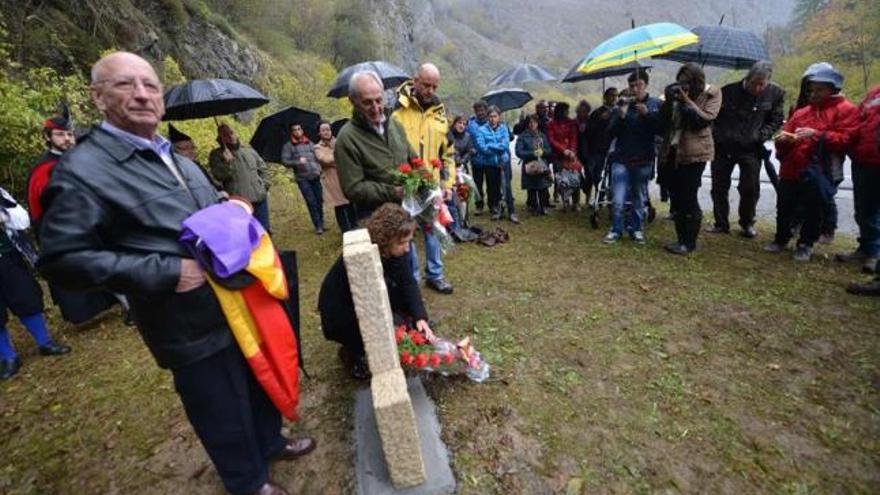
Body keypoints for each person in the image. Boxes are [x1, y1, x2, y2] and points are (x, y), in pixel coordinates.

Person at [37, 52, 314, 495]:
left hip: (236, 298)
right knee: (219, 405)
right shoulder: (82, 171)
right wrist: (166, 272)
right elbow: (61, 260)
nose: (143, 94)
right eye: (126, 85)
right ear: (98, 97)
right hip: (183, 320)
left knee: (254, 377)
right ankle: (247, 482)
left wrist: (230, 212)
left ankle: (269, 442)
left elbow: (198, 219)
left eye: (150, 85)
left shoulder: (180, 159)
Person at [28, 109, 123, 326]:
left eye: (69, 134)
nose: (67, 138)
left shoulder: (79, 157)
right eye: (60, 135)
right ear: (48, 138)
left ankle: (126, 302)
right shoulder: (44, 169)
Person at [318, 203, 436, 379]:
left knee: (404, 324)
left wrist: (419, 316)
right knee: (378, 334)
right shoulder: (363, 260)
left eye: (409, 241)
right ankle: (352, 353)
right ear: (385, 241)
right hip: (344, 313)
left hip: (371, 301)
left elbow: (407, 282)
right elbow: (370, 308)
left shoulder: (394, 250)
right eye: (403, 243)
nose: (408, 248)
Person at [765, 64, 859, 262]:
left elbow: (847, 139)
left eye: (819, 89)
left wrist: (817, 135)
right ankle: (781, 238)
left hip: (820, 169)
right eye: (811, 89)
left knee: (814, 208)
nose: (813, 93)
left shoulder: (846, 110)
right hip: (791, 168)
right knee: (784, 205)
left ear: (832, 90)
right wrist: (782, 142)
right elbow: (785, 133)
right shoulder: (802, 112)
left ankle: (805, 244)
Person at [392, 63, 456, 294]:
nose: (430, 90)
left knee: (433, 230)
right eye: (426, 84)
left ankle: (435, 275)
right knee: (407, 232)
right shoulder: (398, 112)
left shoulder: (440, 116)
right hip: (407, 185)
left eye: (434, 86)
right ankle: (413, 279)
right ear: (415, 81)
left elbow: (448, 153)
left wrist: (447, 184)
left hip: (432, 186)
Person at [0, 186, 71, 380]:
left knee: (26, 297)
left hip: (7, 258)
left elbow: (23, 221)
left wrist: (4, 215)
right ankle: (8, 357)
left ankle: (45, 342)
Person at [709, 61, 785, 238]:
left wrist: (761, 135)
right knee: (719, 186)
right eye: (754, 83)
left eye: (762, 84)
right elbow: (714, 118)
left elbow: (776, 119)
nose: (758, 88)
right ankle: (721, 223)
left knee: (750, 188)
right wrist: (719, 136)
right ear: (747, 78)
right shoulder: (727, 91)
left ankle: (747, 222)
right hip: (724, 147)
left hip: (752, 148)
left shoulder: (775, 93)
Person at [658, 63, 722, 255]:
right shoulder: (676, 96)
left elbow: (703, 121)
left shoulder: (712, 93)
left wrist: (687, 102)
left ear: (696, 82)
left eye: (686, 82)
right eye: (680, 82)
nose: (682, 86)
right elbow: (661, 124)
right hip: (672, 151)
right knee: (676, 197)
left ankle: (689, 242)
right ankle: (680, 240)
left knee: (688, 195)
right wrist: (669, 101)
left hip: (694, 153)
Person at [335, 70, 410, 221]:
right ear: (353, 101)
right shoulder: (347, 138)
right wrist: (392, 192)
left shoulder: (394, 125)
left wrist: (424, 180)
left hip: (406, 209)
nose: (376, 108)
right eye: (367, 102)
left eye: (378, 100)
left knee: (408, 245)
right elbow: (353, 189)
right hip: (375, 218)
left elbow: (413, 157)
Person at [603, 70, 662, 245]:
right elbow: (610, 133)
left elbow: (661, 129)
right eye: (632, 85)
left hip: (643, 159)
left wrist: (648, 115)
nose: (635, 89)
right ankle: (616, 229)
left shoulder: (654, 104)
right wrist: (620, 115)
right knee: (618, 198)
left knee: (638, 198)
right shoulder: (622, 105)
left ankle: (636, 230)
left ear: (646, 85)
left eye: (639, 85)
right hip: (621, 159)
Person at [836, 84, 880, 274]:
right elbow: (859, 119)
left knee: (874, 211)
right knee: (863, 209)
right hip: (863, 159)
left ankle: (874, 254)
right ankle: (865, 249)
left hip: (877, 160)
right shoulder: (875, 92)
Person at [209, 124, 271, 232]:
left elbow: (263, 169)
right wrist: (227, 163)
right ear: (220, 138)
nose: (230, 136)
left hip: (259, 197)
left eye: (231, 132)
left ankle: (268, 249)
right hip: (239, 202)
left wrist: (264, 187)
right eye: (225, 135)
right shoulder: (216, 154)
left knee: (264, 230)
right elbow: (219, 176)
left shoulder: (249, 151)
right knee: (245, 232)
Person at [473, 105, 515, 222]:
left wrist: (491, 145)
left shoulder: (503, 129)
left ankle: (511, 212)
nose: (492, 119)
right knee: (493, 187)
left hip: (503, 162)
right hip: (489, 163)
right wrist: (496, 147)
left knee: (506, 186)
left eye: (495, 116)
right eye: (490, 116)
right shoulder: (481, 130)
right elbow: (482, 148)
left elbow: (505, 145)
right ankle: (496, 210)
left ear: (499, 117)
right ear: (487, 117)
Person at [281, 123, 325, 235]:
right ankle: (318, 225)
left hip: (315, 175)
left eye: (299, 129)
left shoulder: (309, 143)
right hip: (303, 178)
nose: (297, 131)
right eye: (294, 130)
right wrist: (297, 162)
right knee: (311, 202)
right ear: (292, 132)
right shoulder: (288, 146)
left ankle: (322, 223)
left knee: (319, 200)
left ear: (302, 130)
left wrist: (319, 168)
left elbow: (317, 157)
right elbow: (285, 161)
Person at [314, 121, 357, 233]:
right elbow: (325, 160)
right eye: (323, 130)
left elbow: (349, 155)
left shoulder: (339, 141)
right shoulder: (317, 147)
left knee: (351, 203)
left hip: (346, 177)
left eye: (328, 129)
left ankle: (355, 227)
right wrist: (338, 154)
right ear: (319, 133)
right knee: (340, 206)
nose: (326, 132)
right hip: (332, 181)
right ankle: (345, 231)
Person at [585, 87, 618, 202]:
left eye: (616, 95)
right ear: (605, 97)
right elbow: (589, 131)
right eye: (611, 95)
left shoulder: (619, 112)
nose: (614, 98)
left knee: (614, 177)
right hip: (599, 150)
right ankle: (598, 198)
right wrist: (601, 120)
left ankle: (610, 199)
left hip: (616, 149)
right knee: (598, 175)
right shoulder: (597, 113)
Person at [516, 114, 553, 215]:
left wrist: (542, 152)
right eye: (530, 122)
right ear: (527, 124)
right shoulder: (523, 136)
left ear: (537, 123)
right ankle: (533, 207)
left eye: (534, 122)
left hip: (542, 165)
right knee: (531, 187)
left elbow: (549, 150)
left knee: (543, 187)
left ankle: (543, 207)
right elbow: (519, 152)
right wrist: (532, 153)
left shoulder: (542, 135)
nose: (532, 124)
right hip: (529, 165)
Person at [547, 102, 581, 210]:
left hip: (571, 155)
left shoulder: (572, 123)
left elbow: (574, 138)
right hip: (558, 155)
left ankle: (576, 202)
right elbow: (552, 140)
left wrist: (572, 151)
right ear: (560, 111)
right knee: (561, 180)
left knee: (575, 177)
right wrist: (563, 150)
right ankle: (565, 201)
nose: (567, 112)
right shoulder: (551, 124)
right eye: (565, 110)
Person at [467, 99, 490, 215]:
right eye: (477, 110)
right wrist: (470, 147)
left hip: (490, 159)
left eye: (482, 110)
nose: (480, 112)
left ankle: (493, 205)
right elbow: (467, 138)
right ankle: (479, 205)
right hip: (476, 159)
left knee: (491, 184)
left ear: (486, 110)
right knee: (477, 184)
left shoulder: (491, 122)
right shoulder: (471, 124)